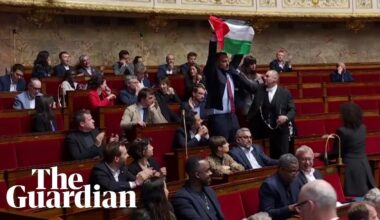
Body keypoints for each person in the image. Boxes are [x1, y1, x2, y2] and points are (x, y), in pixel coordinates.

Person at [204, 32, 247, 142]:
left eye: (228, 60)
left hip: (232, 115)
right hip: (218, 117)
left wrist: (244, 38)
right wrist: (213, 39)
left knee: (236, 143)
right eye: (224, 61)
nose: (227, 63)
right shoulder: (213, 72)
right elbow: (211, 56)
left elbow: (238, 58)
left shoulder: (230, 71)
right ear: (217, 63)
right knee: (222, 145)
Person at [246, 70, 296, 159]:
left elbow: (292, 110)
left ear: (275, 79)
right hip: (263, 132)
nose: (264, 78)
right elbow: (247, 84)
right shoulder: (259, 89)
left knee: (283, 157)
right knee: (266, 158)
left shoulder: (285, 92)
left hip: (280, 131)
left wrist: (286, 117)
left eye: (267, 76)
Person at [329, 103, 376, 196]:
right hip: (363, 165)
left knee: (353, 198)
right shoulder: (363, 128)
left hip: (350, 168)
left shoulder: (342, 131)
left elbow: (336, 153)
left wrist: (321, 155)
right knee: (366, 195)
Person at [259, 153, 300, 220]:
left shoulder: (296, 180)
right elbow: (266, 213)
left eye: (297, 170)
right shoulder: (269, 185)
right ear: (281, 169)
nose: (296, 174)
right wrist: (288, 209)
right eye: (292, 171)